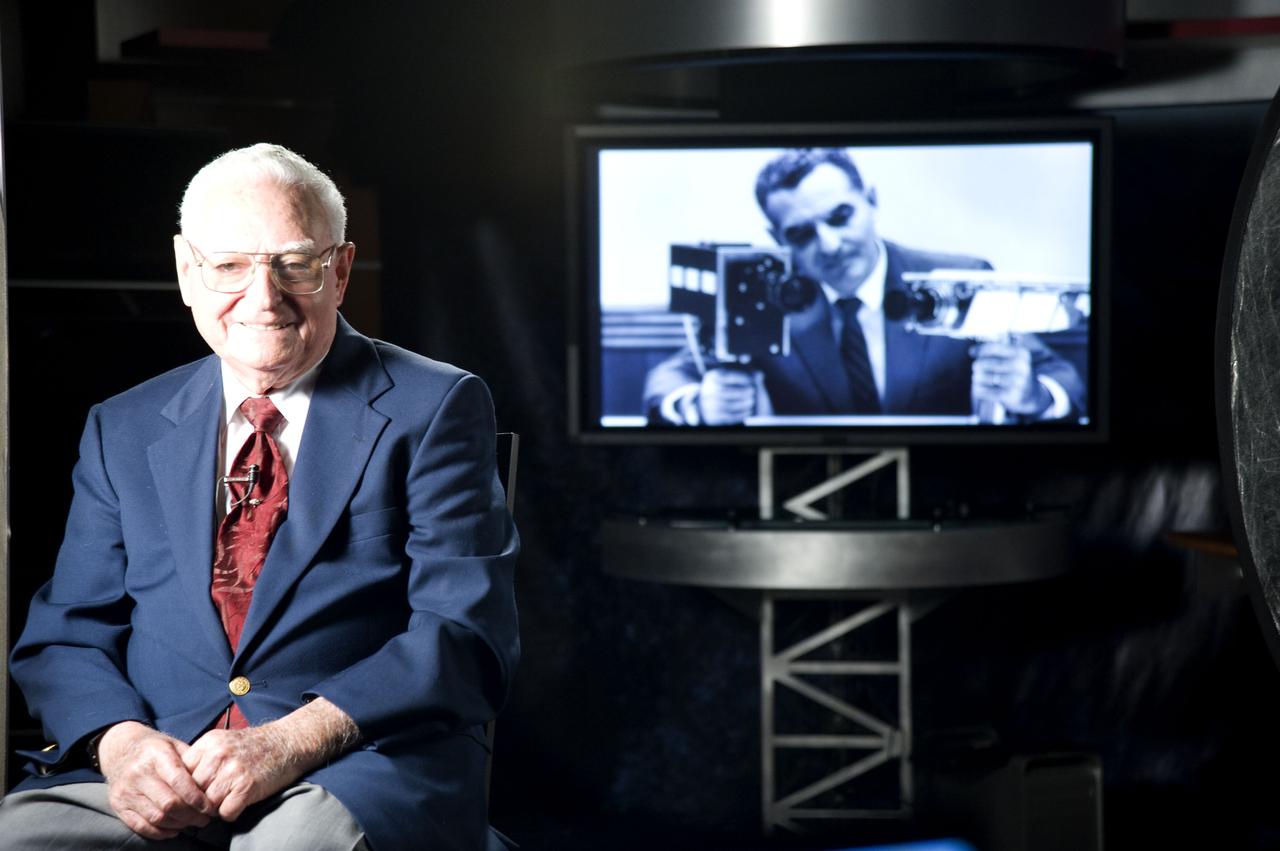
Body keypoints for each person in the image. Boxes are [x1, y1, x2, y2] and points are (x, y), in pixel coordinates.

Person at [0, 144, 519, 851]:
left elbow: (464, 634)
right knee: (20, 834)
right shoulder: (120, 426)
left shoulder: (436, 406)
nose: (263, 297)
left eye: (294, 263)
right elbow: (66, 636)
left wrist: (288, 741)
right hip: (165, 769)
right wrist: (123, 748)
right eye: (229, 266)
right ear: (188, 272)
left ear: (339, 270)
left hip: (354, 769)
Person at [644, 147, 1085, 425]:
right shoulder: (763, 296)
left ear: (871, 200)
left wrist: (1033, 396)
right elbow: (667, 379)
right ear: (778, 239)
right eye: (801, 233)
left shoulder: (957, 279)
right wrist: (699, 404)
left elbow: (1063, 378)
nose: (830, 245)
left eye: (840, 217)